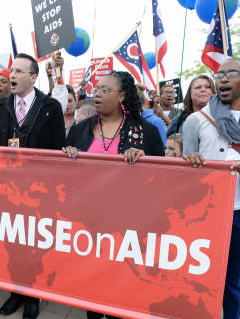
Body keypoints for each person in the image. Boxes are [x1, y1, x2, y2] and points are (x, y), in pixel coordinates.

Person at [63, 71, 164, 319]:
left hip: (128, 225)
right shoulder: (80, 129)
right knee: (94, 282)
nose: (97, 93)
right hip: (90, 222)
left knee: (122, 282)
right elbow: (66, 178)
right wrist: (66, 156)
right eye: (96, 89)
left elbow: (161, 178)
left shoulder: (145, 131)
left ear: (122, 96)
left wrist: (144, 161)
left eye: (105, 90)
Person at [0, 53, 65, 319]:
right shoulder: (1, 107)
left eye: (18, 71)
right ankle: (15, 293)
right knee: (13, 242)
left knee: (34, 244)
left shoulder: (50, 107)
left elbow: (58, 149)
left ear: (33, 78)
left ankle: (33, 296)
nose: (11, 75)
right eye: (11, 71)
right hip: (8, 189)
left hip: (38, 192)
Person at [182, 59, 240, 319]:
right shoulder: (196, 121)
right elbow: (185, 176)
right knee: (199, 279)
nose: (222, 79)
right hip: (205, 215)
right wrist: (191, 163)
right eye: (219, 74)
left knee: (235, 280)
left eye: (232, 74)